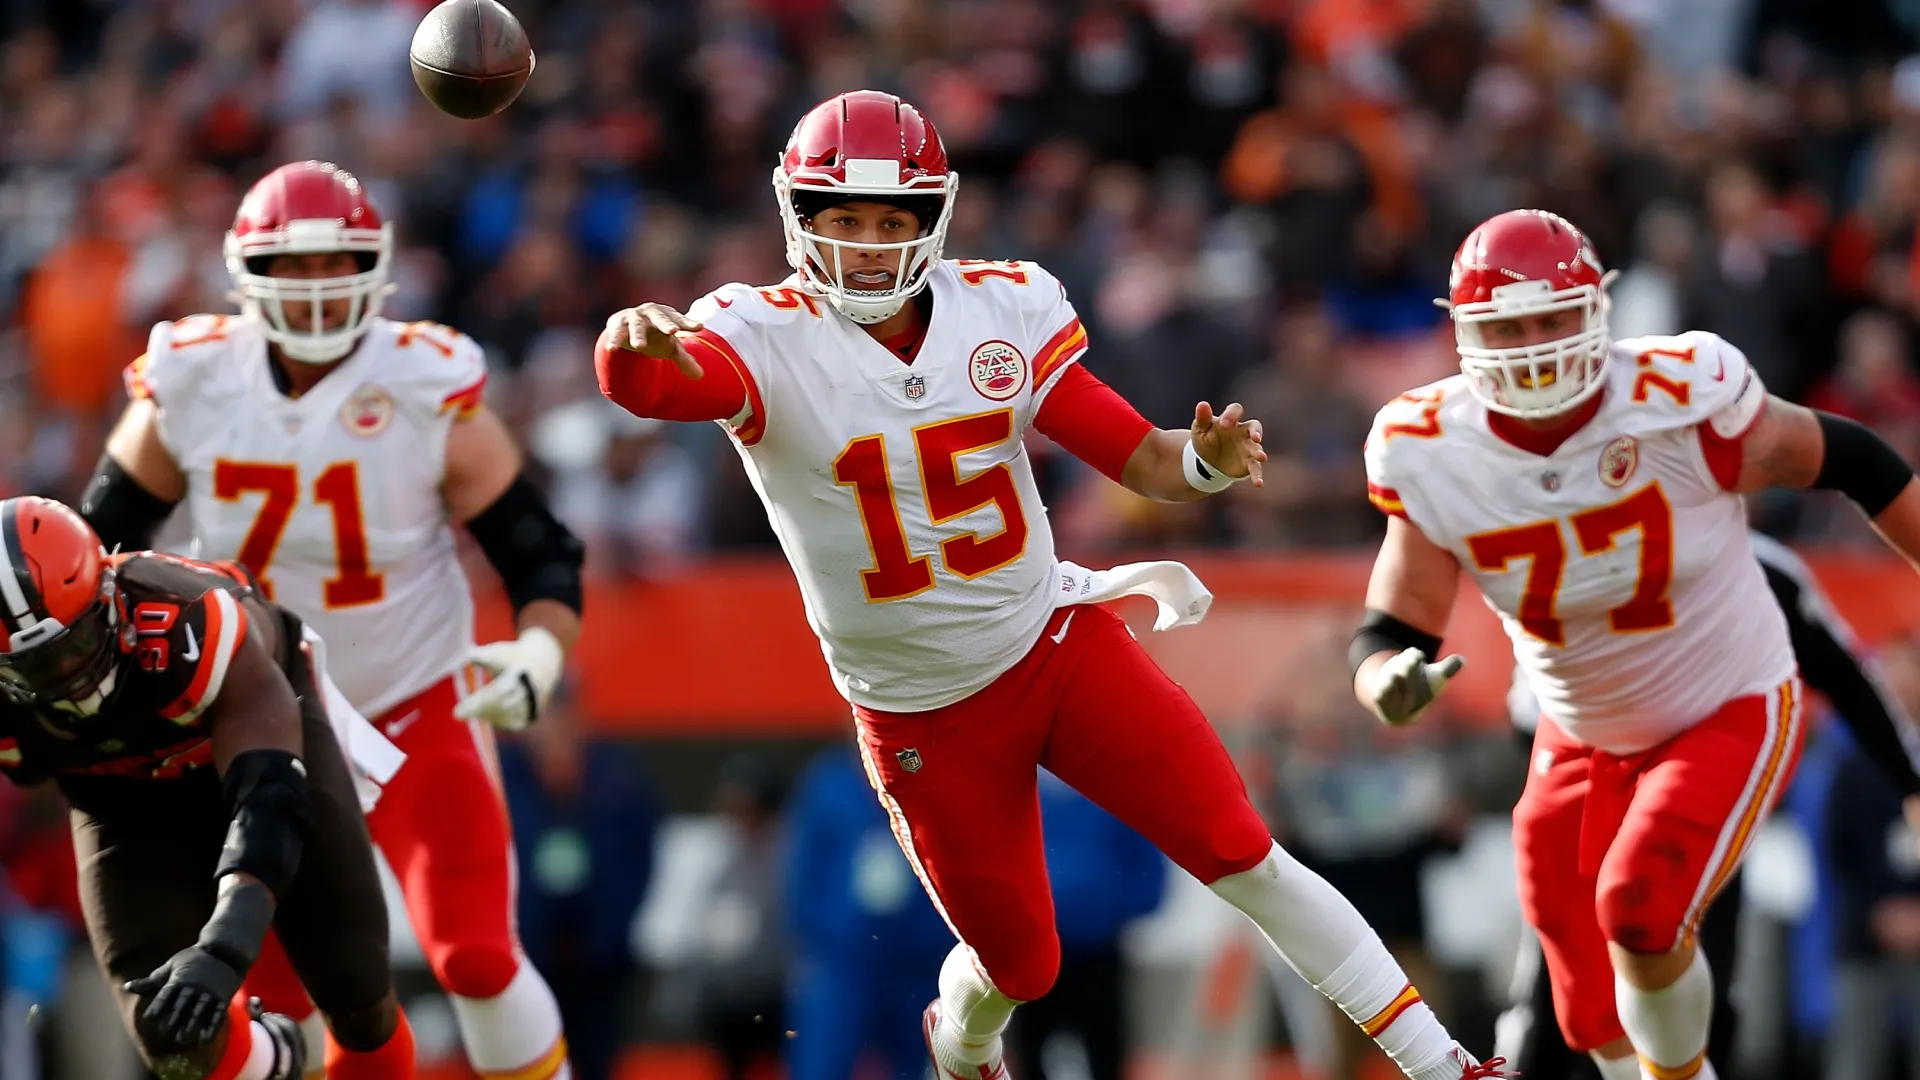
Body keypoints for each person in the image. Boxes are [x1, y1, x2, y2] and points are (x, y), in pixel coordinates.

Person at [596, 89, 1505, 1080]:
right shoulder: (760, 330)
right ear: (798, 217)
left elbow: (1144, 459)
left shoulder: (1000, 309)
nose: (868, 246)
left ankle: (1444, 1065)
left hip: (1053, 644)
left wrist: (1201, 464)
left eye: (891, 222)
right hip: (922, 709)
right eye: (843, 220)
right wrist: (626, 346)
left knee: (1241, 850)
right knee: (1024, 965)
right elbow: (660, 384)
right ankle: (962, 1041)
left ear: (933, 218)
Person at [1353, 207, 1920, 1080]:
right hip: (1578, 731)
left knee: (1640, 910)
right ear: (1463, 334)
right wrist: (1384, 680)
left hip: (1724, 704)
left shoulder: (1678, 397)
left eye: (1552, 320)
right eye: (1509, 327)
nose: (1535, 349)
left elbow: (1852, 460)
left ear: (1597, 312)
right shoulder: (1428, 446)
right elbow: (1396, 622)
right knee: (1579, 1010)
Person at [78, 160, 585, 1080]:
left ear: (374, 265)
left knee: (475, 956)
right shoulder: (196, 375)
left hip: (414, 696)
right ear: (249, 273)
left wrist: (541, 653)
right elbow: (96, 547)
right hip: (266, 717)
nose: (316, 288)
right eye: (294, 266)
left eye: (334, 263)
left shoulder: (422, 379)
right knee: (286, 993)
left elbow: (539, 551)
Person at [0, 496, 414, 1080]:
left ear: (108, 596)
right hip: (121, 803)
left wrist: (225, 945)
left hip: (260, 753)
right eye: (43, 667)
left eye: (77, 644)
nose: (72, 676)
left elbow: (269, 798)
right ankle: (278, 1060)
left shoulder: (191, 620)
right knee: (170, 1033)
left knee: (356, 989)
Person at [1495, 532, 1920, 1076]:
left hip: (1697, 822)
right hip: (1589, 821)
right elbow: (1527, 712)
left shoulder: (1765, 570)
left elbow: (1848, 681)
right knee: (1560, 1006)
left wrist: (1910, 782)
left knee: (1699, 994)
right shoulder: (1584, 556)